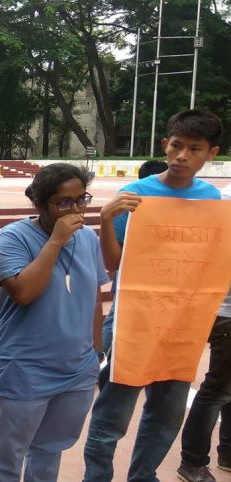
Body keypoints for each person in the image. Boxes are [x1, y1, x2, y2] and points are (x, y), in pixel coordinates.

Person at [83, 108, 224, 482]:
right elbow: (113, 265)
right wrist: (107, 220)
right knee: (113, 415)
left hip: (182, 326)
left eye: (195, 149)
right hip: (134, 320)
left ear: (212, 154)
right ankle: (96, 477)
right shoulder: (135, 194)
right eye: (176, 146)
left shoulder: (213, 201)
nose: (182, 156)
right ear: (165, 144)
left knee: (166, 416)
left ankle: (142, 476)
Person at [0, 163, 107, 481]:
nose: (76, 209)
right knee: (7, 454)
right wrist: (55, 242)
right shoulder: (13, 237)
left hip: (77, 370)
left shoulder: (89, 239)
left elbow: (93, 295)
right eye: (64, 202)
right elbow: (23, 292)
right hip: (25, 369)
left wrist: (96, 352)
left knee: (50, 450)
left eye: (82, 199)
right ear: (39, 203)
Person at [175, 180, 231, 482]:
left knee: (226, 389)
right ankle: (193, 462)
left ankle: (228, 453)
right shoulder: (226, 201)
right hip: (226, 312)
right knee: (216, 391)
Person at [99, 159, 169, 366]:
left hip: (130, 277)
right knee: (117, 319)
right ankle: (101, 358)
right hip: (137, 277)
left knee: (115, 318)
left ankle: (98, 358)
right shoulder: (132, 198)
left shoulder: (133, 200)